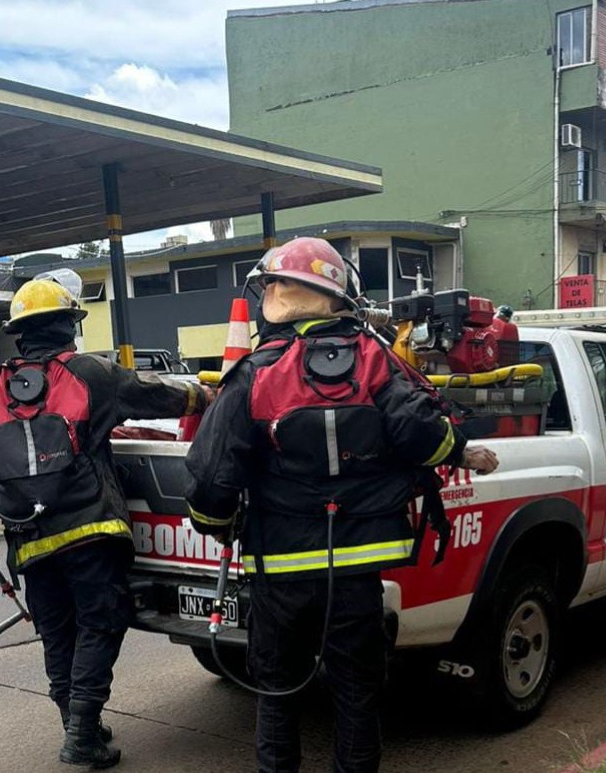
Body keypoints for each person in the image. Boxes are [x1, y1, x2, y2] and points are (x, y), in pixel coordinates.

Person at [184, 237, 498, 773]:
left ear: (279, 294)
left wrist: (215, 524)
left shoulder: (256, 372)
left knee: (278, 694)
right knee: (356, 694)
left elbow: (212, 473)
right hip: (355, 570)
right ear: (337, 295)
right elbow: (423, 433)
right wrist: (465, 452)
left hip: (278, 571)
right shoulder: (375, 358)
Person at [0, 271, 212, 769]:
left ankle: (82, 725)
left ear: (21, 332)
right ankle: (80, 733)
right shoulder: (91, 373)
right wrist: (207, 396)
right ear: (69, 325)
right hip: (92, 531)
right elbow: (159, 395)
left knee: (58, 634)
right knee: (100, 623)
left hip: (29, 541)